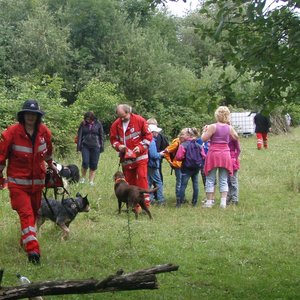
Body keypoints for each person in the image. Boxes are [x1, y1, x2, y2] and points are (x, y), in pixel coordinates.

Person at [0, 99, 56, 264]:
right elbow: (1, 158)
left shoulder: (44, 132)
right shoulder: (11, 132)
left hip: (37, 184)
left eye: (34, 114)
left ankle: (24, 241)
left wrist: (53, 168)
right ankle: (33, 252)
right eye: (28, 114)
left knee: (33, 215)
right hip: (18, 184)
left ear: (38, 117)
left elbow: (48, 154)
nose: (30, 117)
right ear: (22, 115)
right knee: (26, 214)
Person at [110, 104, 153, 211]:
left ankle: (145, 205)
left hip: (140, 156)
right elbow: (113, 140)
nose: (122, 119)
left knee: (142, 177)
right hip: (126, 158)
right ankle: (134, 205)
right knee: (129, 181)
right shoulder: (116, 125)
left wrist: (140, 147)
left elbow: (148, 136)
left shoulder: (140, 120)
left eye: (124, 116)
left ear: (129, 112)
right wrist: (118, 146)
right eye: (120, 117)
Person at [201, 106, 239, 208]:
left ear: (217, 115)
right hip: (225, 153)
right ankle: (223, 203)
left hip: (214, 153)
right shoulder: (229, 127)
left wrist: (204, 130)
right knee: (223, 179)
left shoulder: (213, 126)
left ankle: (209, 202)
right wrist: (230, 130)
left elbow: (203, 139)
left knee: (210, 178)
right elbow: (236, 137)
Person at [175, 127, 203, 208]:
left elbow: (178, 157)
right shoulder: (198, 145)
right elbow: (204, 155)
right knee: (196, 184)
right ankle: (194, 203)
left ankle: (179, 203)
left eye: (183, 134)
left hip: (186, 168)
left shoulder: (183, 145)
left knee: (183, 185)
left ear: (188, 135)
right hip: (196, 168)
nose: (181, 136)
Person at [76, 111, 104, 186]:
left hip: (96, 146)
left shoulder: (98, 124)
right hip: (85, 146)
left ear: (93, 118)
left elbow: (101, 136)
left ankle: (91, 181)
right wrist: (78, 148)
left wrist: (102, 146)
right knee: (85, 162)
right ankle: (83, 178)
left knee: (94, 164)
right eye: (86, 119)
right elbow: (79, 136)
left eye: (89, 119)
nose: (88, 120)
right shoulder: (83, 124)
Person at [147, 124, 165, 206]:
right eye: (156, 132)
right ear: (152, 132)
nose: (157, 133)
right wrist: (161, 154)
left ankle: (149, 198)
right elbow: (154, 155)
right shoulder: (152, 142)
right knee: (158, 182)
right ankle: (161, 200)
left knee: (149, 182)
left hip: (147, 164)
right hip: (153, 165)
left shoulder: (146, 140)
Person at [163, 136, 182, 205]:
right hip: (178, 165)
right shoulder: (176, 143)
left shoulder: (187, 141)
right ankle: (179, 199)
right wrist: (170, 161)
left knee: (182, 182)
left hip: (185, 165)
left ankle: (181, 198)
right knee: (180, 182)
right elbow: (166, 152)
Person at [227, 137, 241, 205]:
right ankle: (228, 197)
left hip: (232, 159)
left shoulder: (233, 137)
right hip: (225, 158)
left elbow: (238, 149)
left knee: (233, 180)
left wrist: (235, 158)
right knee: (227, 180)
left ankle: (235, 198)